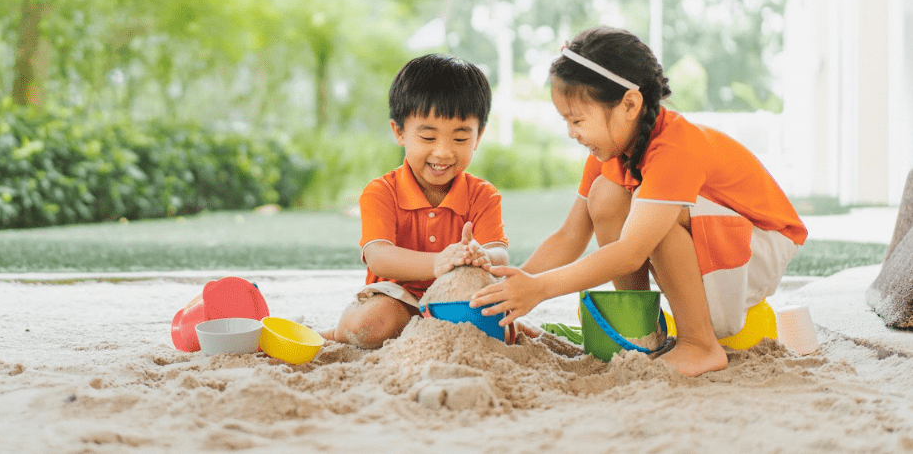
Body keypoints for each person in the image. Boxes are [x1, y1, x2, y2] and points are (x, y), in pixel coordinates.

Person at [470, 26, 807, 376]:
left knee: (658, 219)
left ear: (630, 104)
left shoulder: (675, 148)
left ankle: (700, 344)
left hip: (758, 249)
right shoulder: (610, 151)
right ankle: (641, 332)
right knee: (606, 194)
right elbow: (570, 237)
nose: (571, 132)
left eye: (578, 120)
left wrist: (541, 289)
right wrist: (512, 286)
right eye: (566, 121)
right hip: (715, 244)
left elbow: (632, 250)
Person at [321, 53, 510, 348]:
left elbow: (498, 253)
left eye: (460, 139)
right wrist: (440, 262)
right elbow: (379, 257)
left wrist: (481, 255)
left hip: (458, 298)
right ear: (399, 132)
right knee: (368, 325)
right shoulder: (381, 191)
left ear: (479, 136)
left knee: (501, 326)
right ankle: (338, 333)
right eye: (428, 138)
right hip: (400, 301)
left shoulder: (482, 194)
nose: (444, 152)